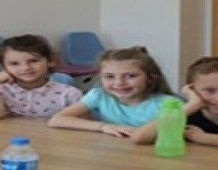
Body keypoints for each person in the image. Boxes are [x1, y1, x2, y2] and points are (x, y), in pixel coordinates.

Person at [48, 47, 176, 137]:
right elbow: (57, 119)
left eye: (131, 76)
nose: (119, 83)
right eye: (110, 76)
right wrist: (103, 127)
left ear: (150, 78)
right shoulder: (99, 95)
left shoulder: (167, 104)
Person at [0, 35, 82, 119]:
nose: (25, 68)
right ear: (3, 67)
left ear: (50, 61)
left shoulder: (69, 94)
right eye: (14, 64)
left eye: (33, 61)